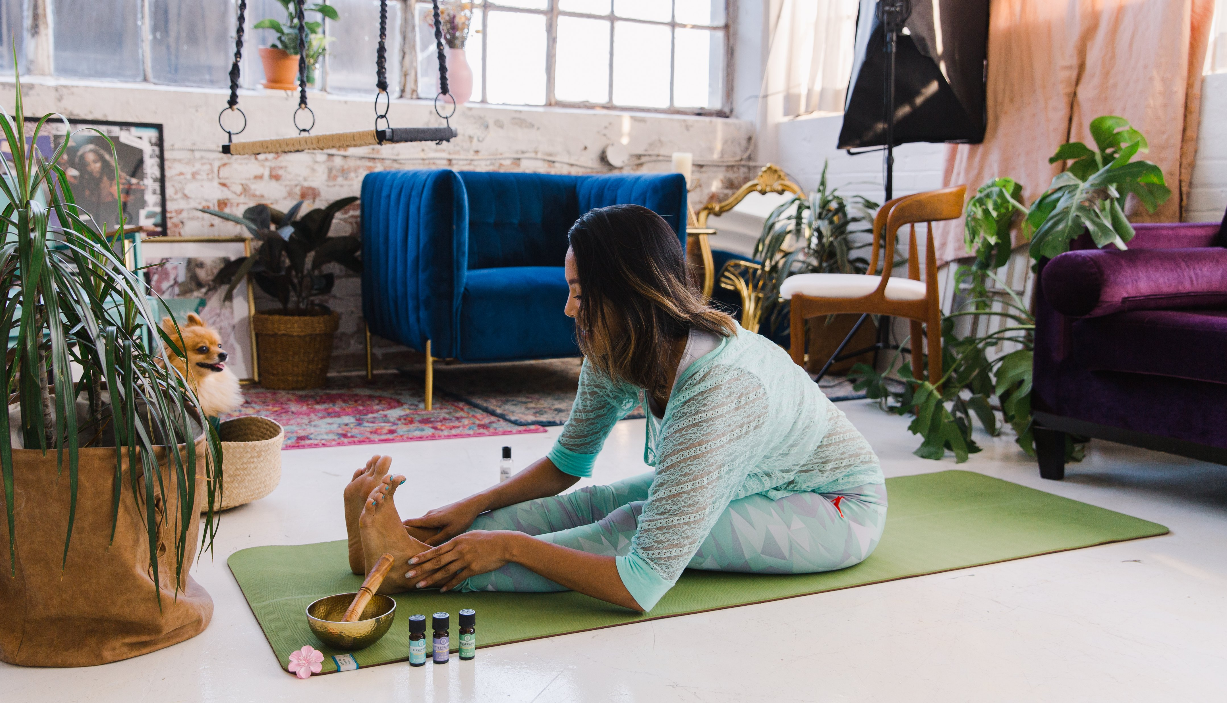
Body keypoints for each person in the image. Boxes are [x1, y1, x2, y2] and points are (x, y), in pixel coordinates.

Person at [345, 204, 887, 613]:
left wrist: (511, 547)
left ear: (632, 294)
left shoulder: (723, 389)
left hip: (833, 506)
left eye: (580, 293)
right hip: (752, 479)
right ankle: (410, 549)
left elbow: (641, 582)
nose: (567, 308)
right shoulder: (621, 346)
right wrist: (475, 506)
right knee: (598, 501)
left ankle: (410, 572)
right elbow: (567, 466)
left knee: (631, 524)